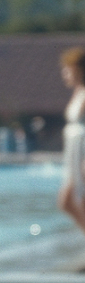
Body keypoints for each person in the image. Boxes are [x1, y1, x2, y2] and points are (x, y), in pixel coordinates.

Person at [57, 46, 85, 237]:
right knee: (66, 202)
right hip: (73, 151)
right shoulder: (78, 92)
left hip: (82, 152)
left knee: (79, 200)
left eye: (68, 69)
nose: (64, 74)